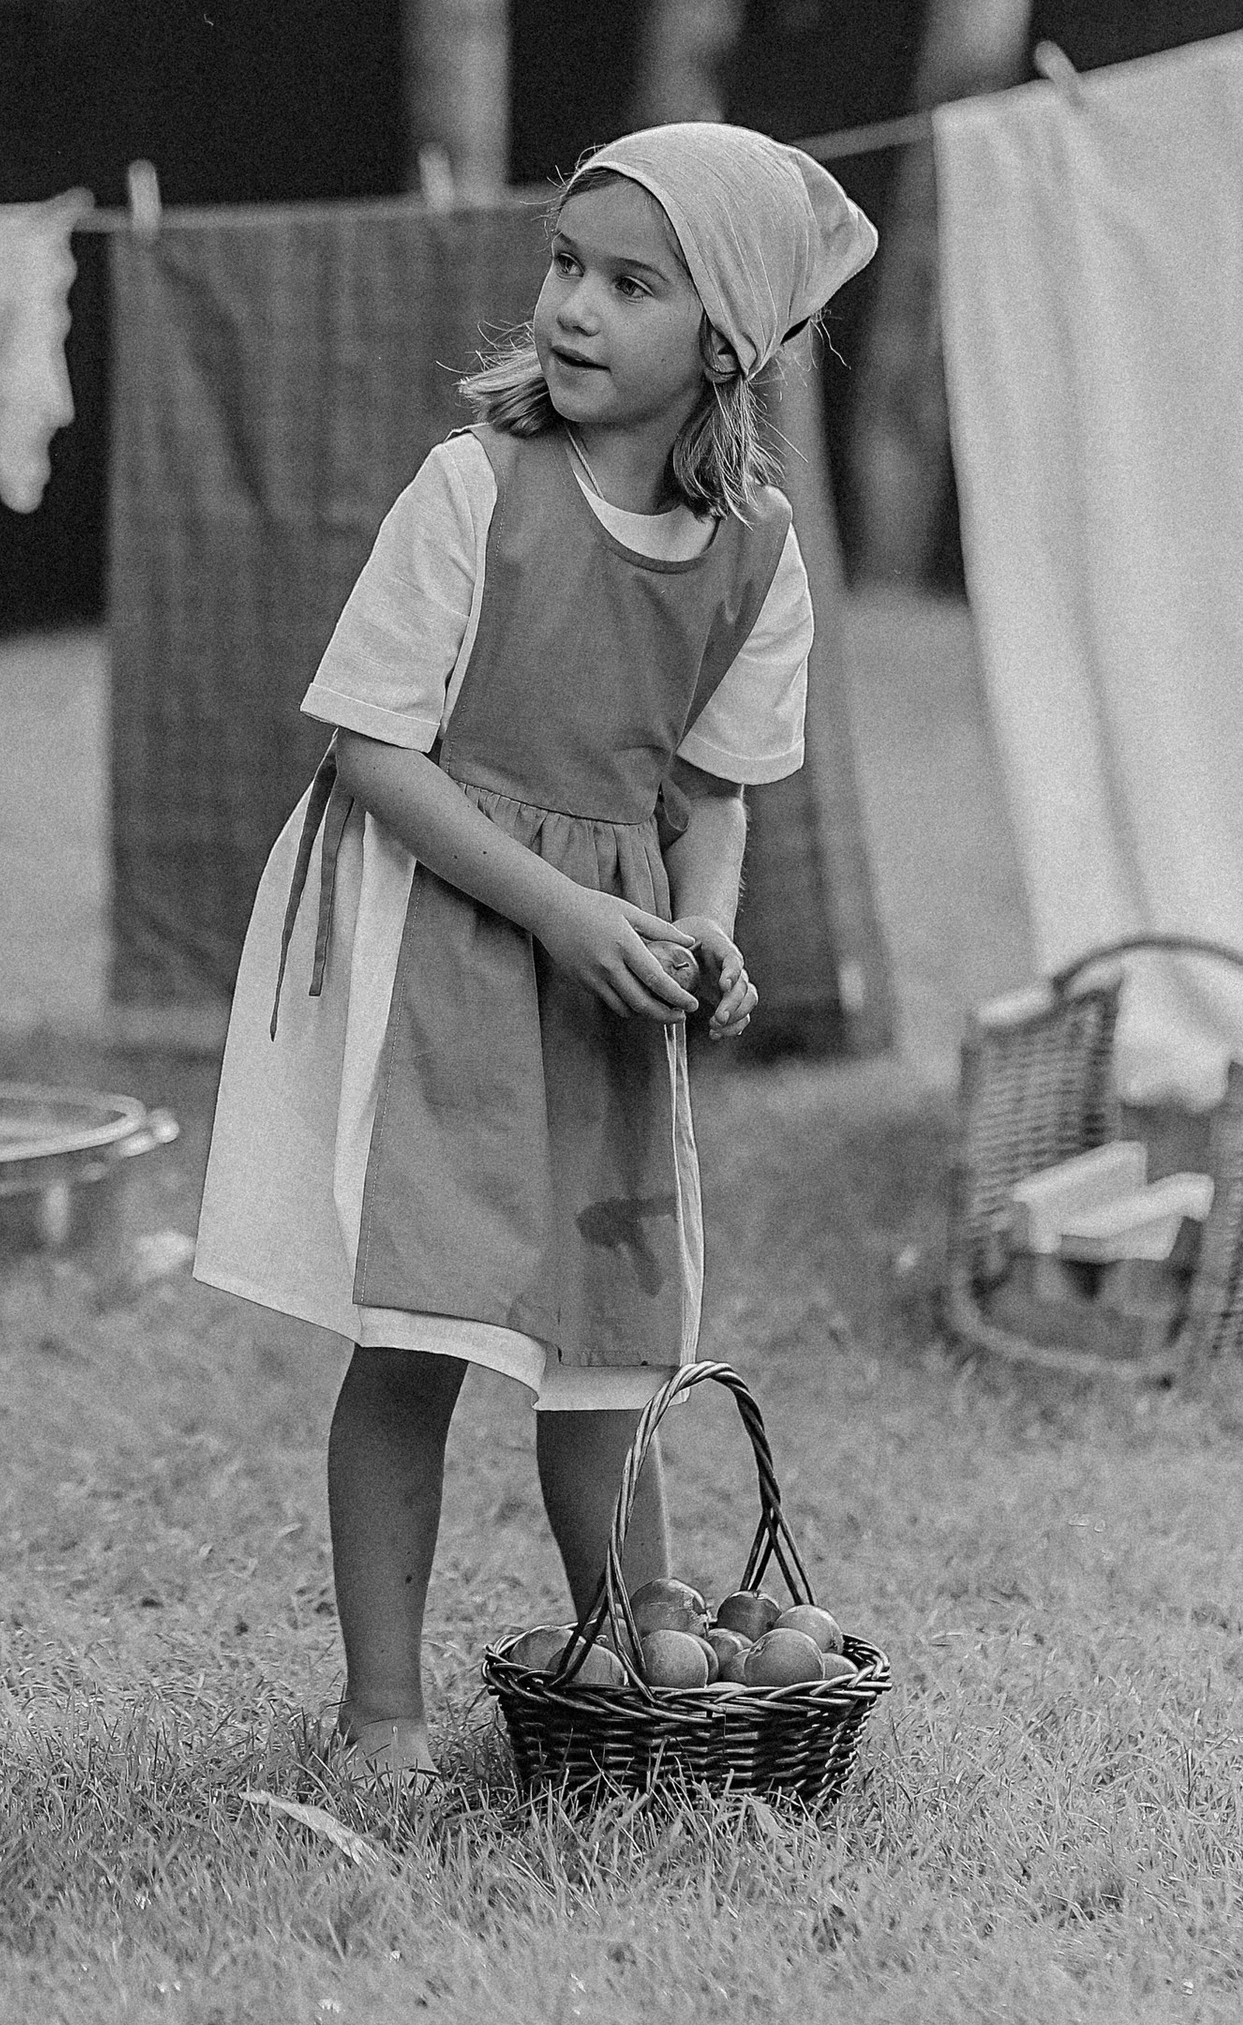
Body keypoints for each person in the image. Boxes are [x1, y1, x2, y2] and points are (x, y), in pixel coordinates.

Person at [192, 124, 878, 1782]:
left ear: (725, 340)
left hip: (605, 983)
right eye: (567, 265)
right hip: (447, 943)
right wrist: (567, 914)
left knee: (612, 1344)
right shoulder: (474, 493)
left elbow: (713, 792)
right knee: (420, 1332)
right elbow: (372, 754)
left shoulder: (756, 556)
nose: (571, 307)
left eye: (629, 284)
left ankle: (636, 1682)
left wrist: (697, 926)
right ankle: (384, 1720)